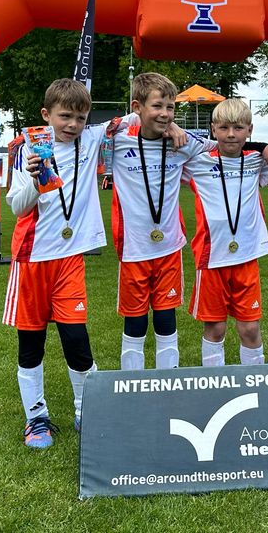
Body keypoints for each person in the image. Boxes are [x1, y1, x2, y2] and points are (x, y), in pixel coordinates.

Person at [4, 79, 108, 449]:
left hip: (69, 260)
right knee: (31, 343)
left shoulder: (92, 139)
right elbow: (17, 208)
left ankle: (87, 408)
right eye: (65, 116)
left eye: (80, 117)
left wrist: (174, 125)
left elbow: (137, 116)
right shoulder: (24, 148)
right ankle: (36, 417)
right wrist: (34, 179)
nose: (73, 125)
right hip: (32, 260)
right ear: (47, 115)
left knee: (76, 340)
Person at [109, 72, 204, 372]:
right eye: (157, 106)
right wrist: (132, 119)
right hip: (134, 249)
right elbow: (88, 129)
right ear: (137, 106)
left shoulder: (181, 144)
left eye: (171, 108)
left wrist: (260, 145)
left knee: (166, 317)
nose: (165, 114)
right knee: (135, 320)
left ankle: (168, 383)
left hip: (169, 248)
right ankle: (133, 385)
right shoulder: (116, 142)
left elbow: (225, 145)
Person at [183, 98, 268, 367]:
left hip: (247, 257)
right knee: (215, 329)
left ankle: (256, 384)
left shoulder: (258, 159)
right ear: (212, 130)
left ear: (250, 129)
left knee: (249, 329)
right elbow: (168, 140)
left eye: (238, 128)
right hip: (211, 258)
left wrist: (261, 145)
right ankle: (214, 388)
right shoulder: (196, 162)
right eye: (223, 128)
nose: (231, 134)